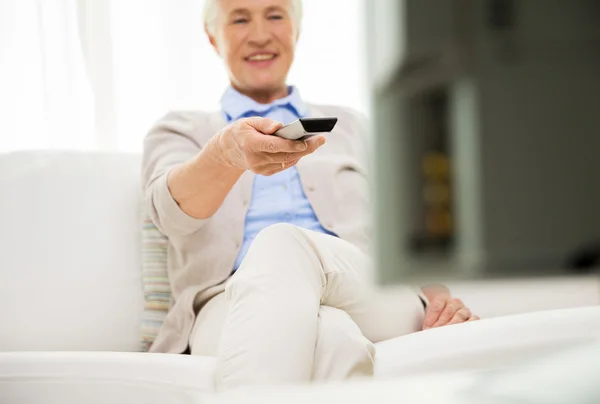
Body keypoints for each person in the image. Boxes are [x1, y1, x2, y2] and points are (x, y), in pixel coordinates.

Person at [142, 0, 478, 390]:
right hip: (227, 303)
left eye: (275, 15)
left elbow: (415, 229)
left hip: (367, 291)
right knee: (333, 338)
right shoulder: (179, 130)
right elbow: (170, 215)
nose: (260, 34)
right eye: (239, 19)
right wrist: (225, 154)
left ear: (296, 30)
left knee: (282, 243)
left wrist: (441, 301)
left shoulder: (353, 126)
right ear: (211, 35)